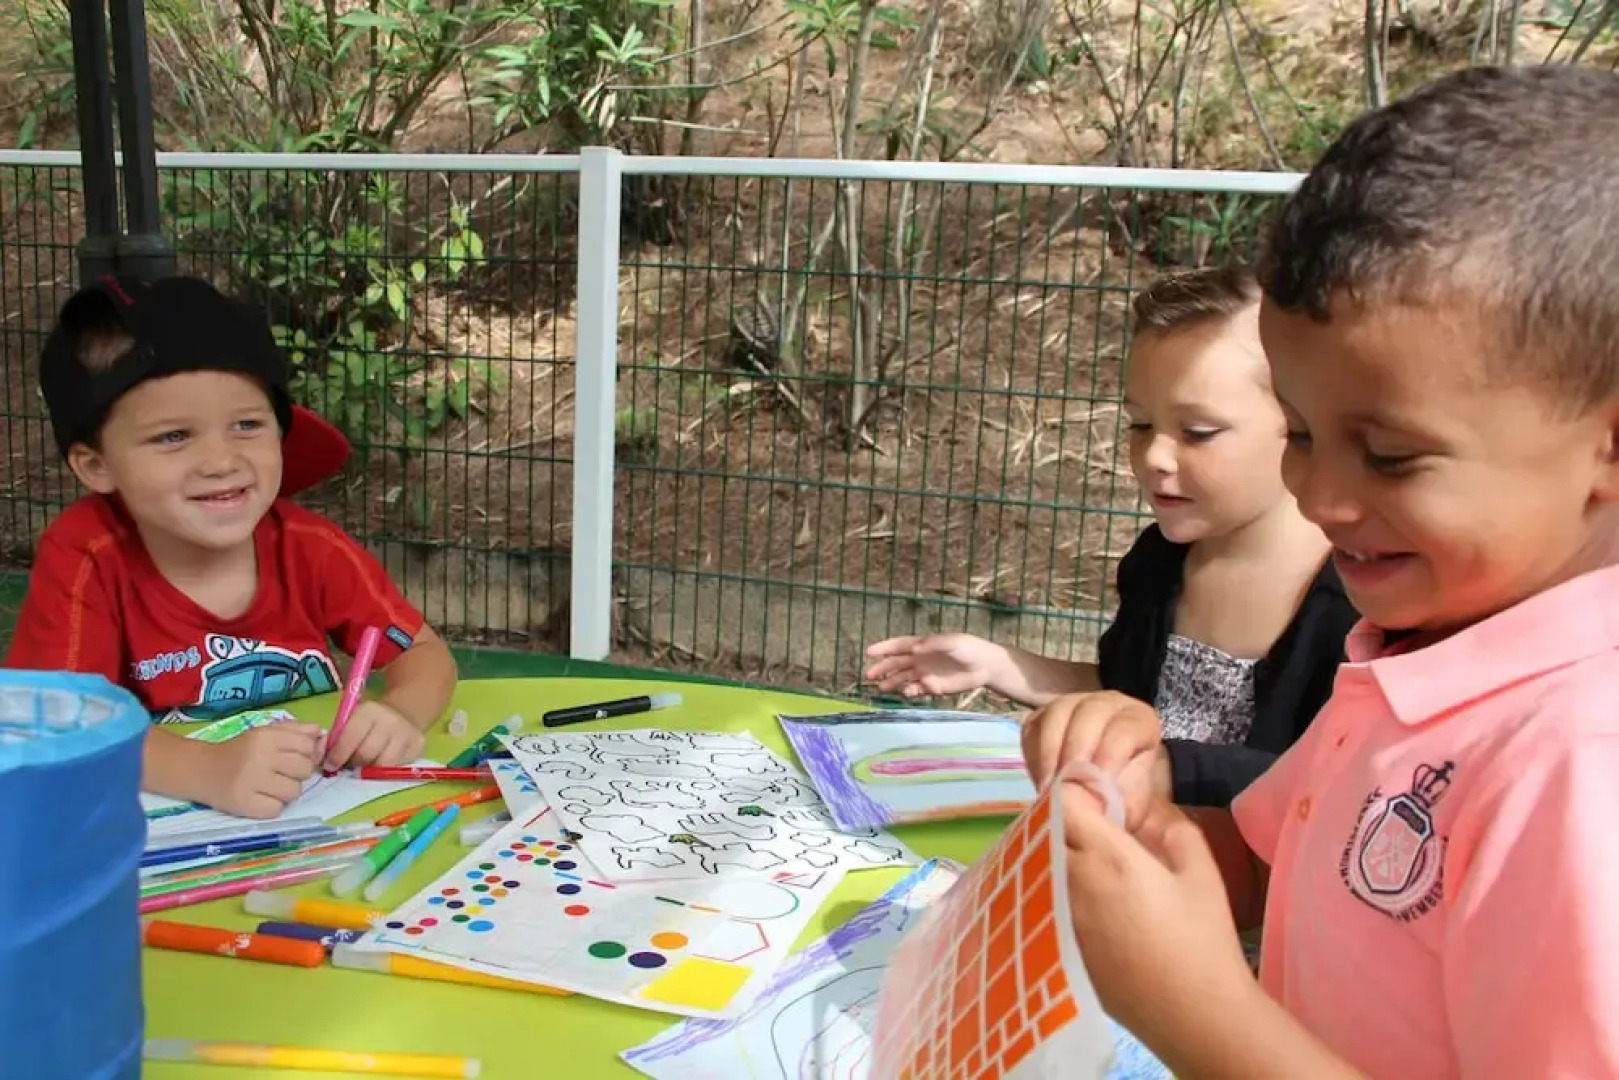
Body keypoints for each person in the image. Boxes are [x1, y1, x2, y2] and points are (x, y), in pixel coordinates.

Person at [1026, 65, 1619, 1078]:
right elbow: (1286, 869)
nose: (1322, 498)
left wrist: (1192, 1008)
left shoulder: (1575, 773)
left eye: (1389, 455)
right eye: (1299, 433)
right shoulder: (1417, 647)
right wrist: (1134, 804)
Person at [866, 266, 1356, 809]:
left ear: (1301, 422)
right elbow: (1128, 698)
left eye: (1198, 432)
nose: (1154, 457)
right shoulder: (1160, 562)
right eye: (1141, 424)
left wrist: (1171, 769)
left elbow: (1344, 790)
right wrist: (998, 664)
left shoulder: (1357, 604)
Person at [5, 275, 459, 819]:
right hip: (165, 854)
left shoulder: (308, 545)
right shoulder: (87, 557)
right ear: (96, 465)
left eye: (246, 424)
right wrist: (205, 769)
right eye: (173, 436)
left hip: (324, 825)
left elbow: (423, 653)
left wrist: (401, 715)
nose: (221, 461)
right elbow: (62, 720)